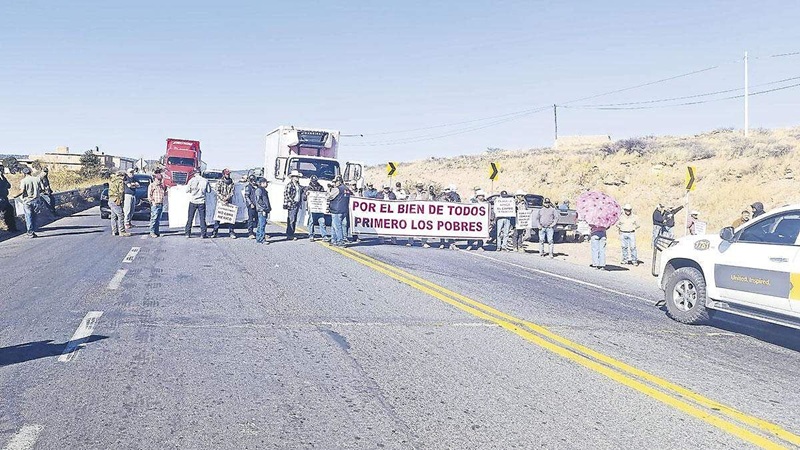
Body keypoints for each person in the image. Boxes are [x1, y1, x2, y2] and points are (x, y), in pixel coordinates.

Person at [185, 168, 210, 238]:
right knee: (202, 219)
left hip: (193, 201)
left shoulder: (191, 180)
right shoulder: (205, 181)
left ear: (194, 173)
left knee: (190, 218)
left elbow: (187, 190)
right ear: (200, 173)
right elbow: (209, 191)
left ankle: (187, 233)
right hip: (201, 201)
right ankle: (203, 234)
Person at [212, 169, 237, 239]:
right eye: (227, 174)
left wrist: (227, 198)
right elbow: (217, 190)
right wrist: (222, 198)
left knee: (230, 217)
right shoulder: (219, 181)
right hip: (221, 202)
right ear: (224, 174)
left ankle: (231, 232)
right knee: (218, 217)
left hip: (228, 201)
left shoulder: (231, 182)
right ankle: (215, 232)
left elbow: (232, 191)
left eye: (229, 174)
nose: (228, 175)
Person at [19, 167, 41, 238]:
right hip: (36, 201)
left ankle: (30, 232)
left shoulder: (24, 181)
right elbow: (41, 188)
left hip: (27, 201)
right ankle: (33, 230)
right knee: (34, 216)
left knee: (28, 216)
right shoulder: (37, 179)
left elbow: (22, 191)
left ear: (24, 173)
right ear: (30, 172)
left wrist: (15, 195)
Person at [328, 175, 350, 247]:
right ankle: (333, 240)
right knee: (334, 225)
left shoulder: (337, 189)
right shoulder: (347, 189)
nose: (335, 183)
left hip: (337, 210)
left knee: (337, 226)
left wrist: (329, 190)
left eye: (335, 182)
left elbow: (329, 196)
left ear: (339, 182)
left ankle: (340, 241)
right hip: (344, 210)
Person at [305, 175, 328, 242]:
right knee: (311, 221)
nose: (314, 182)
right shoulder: (308, 188)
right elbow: (304, 198)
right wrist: (306, 195)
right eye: (313, 181)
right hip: (312, 208)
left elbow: (324, 197)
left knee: (322, 222)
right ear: (311, 181)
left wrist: (325, 195)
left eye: (315, 181)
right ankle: (311, 235)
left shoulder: (321, 187)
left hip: (320, 208)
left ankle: (324, 235)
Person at [408, 182, 432, 248]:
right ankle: (410, 241)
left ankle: (424, 242)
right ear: (416, 187)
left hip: (423, 213)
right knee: (412, 226)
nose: (419, 188)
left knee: (424, 227)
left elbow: (429, 201)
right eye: (418, 186)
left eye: (420, 186)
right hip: (414, 213)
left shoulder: (426, 193)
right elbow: (409, 202)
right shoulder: (413, 193)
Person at [108, 171, 130, 237]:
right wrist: (121, 200)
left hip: (111, 199)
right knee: (121, 215)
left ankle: (114, 231)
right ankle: (122, 231)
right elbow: (121, 192)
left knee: (113, 216)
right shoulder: (120, 181)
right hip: (116, 200)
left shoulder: (112, 180)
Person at [283, 170, 302, 240]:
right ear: (293, 177)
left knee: (294, 219)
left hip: (296, 203)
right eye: (296, 177)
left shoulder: (298, 185)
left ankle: (291, 233)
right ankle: (289, 234)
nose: (297, 178)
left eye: (298, 177)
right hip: (292, 204)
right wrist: (292, 201)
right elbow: (286, 194)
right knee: (291, 219)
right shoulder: (289, 185)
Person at [147, 173, 167, 238]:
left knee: (158, 219)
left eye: (160, 179)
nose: (159, 180)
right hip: (155, 204)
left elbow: (164, 194)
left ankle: (157, 232)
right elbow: (149, 195)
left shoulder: (161, 186)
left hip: (160, 203)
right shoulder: (152, 185)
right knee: (154, 218)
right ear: (155, 179)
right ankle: (152, 232)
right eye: (158, 179)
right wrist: (153, 202)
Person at [254, 177, 271, 244]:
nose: (267, 184)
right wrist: (265, 208)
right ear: (262, 183)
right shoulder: (259, 190)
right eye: (266, 182)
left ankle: (259, 238)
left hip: (263, 209)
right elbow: (259, 200)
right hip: (262, 210)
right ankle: (262, 238)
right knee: (262, 224)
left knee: (260, 224)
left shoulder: (262, 190)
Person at [0, 163, 17, 232]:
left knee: (10, 210)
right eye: (1, 170)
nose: (2, 171)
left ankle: (12, 227)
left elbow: (9, 185)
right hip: (0, 198)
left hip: (4, 198)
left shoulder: (3, 177)